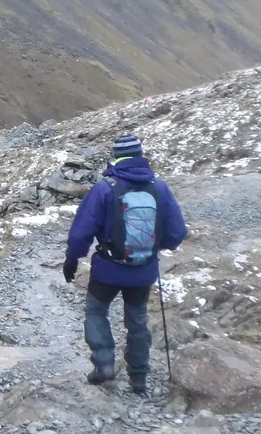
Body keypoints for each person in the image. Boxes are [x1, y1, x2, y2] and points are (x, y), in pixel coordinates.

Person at [63, 132, 188, 395]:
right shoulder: (159, 187)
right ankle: (139, 377)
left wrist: (72, 259)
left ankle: (104, 366)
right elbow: (177, 232)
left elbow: (81, 232)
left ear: (117, 157)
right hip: (143, 270)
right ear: (141, 155)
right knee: (137, 321)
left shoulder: (105, 188)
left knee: (96, 312)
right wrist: (153, 247)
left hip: (108, 269)